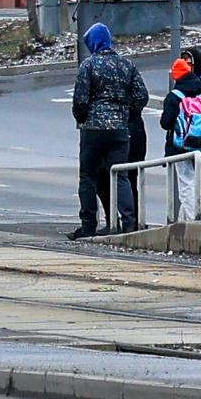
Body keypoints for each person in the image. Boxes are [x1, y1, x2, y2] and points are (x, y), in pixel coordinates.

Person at [68, 22, 147, 240]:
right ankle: (129, 223)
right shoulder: (126, 65)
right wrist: (125, 114)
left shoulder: (88, 66)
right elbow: (142, 96)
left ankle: (88, 226)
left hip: (93, 129)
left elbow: (80, 100)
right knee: (120, 175)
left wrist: (82, 119)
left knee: (88, 177)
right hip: (119, 130)